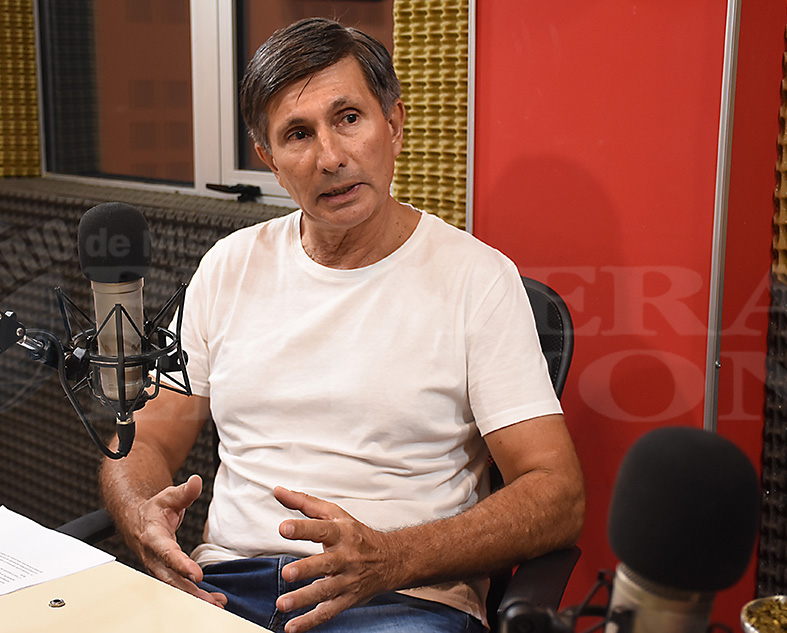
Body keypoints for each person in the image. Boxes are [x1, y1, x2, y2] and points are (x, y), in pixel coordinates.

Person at [100, 17, 584, 633]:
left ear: (394, 125)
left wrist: (393, 557)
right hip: (224, 586)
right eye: (298, 134)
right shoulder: (228, 266)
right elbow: (143, 440)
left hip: (401, 596)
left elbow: (556, 493)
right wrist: (141, 515)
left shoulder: (477, 279)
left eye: (349, 118)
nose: (330, 158)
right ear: (270, 161)